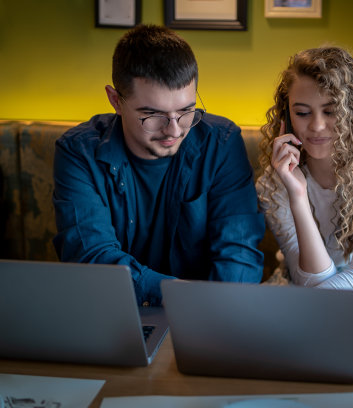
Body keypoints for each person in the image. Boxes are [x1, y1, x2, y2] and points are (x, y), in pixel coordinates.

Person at [53, 24, 264, 306]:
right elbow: (92, 257)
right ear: (116, 100)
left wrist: (215, 316)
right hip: (110, 310)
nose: (174, 131)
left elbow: (239, 254)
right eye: (152, 114)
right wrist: (182, 295)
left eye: (186, 111)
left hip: (207, 315)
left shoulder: (221, 142)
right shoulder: (78, 152)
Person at [256, 46, 353, 313]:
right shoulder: (272, 184)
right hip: (297, 287)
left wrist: (309, 307)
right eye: (302, 113)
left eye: (330, 111)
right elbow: (306, 279)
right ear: (287, 118)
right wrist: (298, 195)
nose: (316, 126)